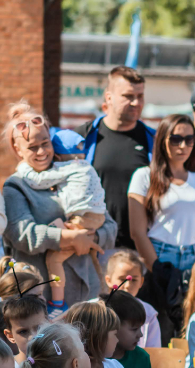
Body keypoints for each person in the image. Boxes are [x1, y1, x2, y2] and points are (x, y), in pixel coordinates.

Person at [4, 105, 116, 309]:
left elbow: (109, 225)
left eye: (45, 143)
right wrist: (70, 238)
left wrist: (92, 237)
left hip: (86, 288)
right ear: (17, 149)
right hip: (39, 295)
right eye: (31, 147)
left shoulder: (74, 171)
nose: (41, 152)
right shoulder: (15, 186)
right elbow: (20, 234)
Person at [127, 114, 195, 277]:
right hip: (159, 255)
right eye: (176, 139)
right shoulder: (143, 176)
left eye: (189, 139)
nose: (183, 146)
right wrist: (156, 267)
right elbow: (137, 232)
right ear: (162, 140)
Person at [75, 66, 152, 250]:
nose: (136, 103)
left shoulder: (153, 140)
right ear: (108, 97)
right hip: (94, 243)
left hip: (139, 246)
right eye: (128, 96)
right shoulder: (83, 138)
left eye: (140, 96)